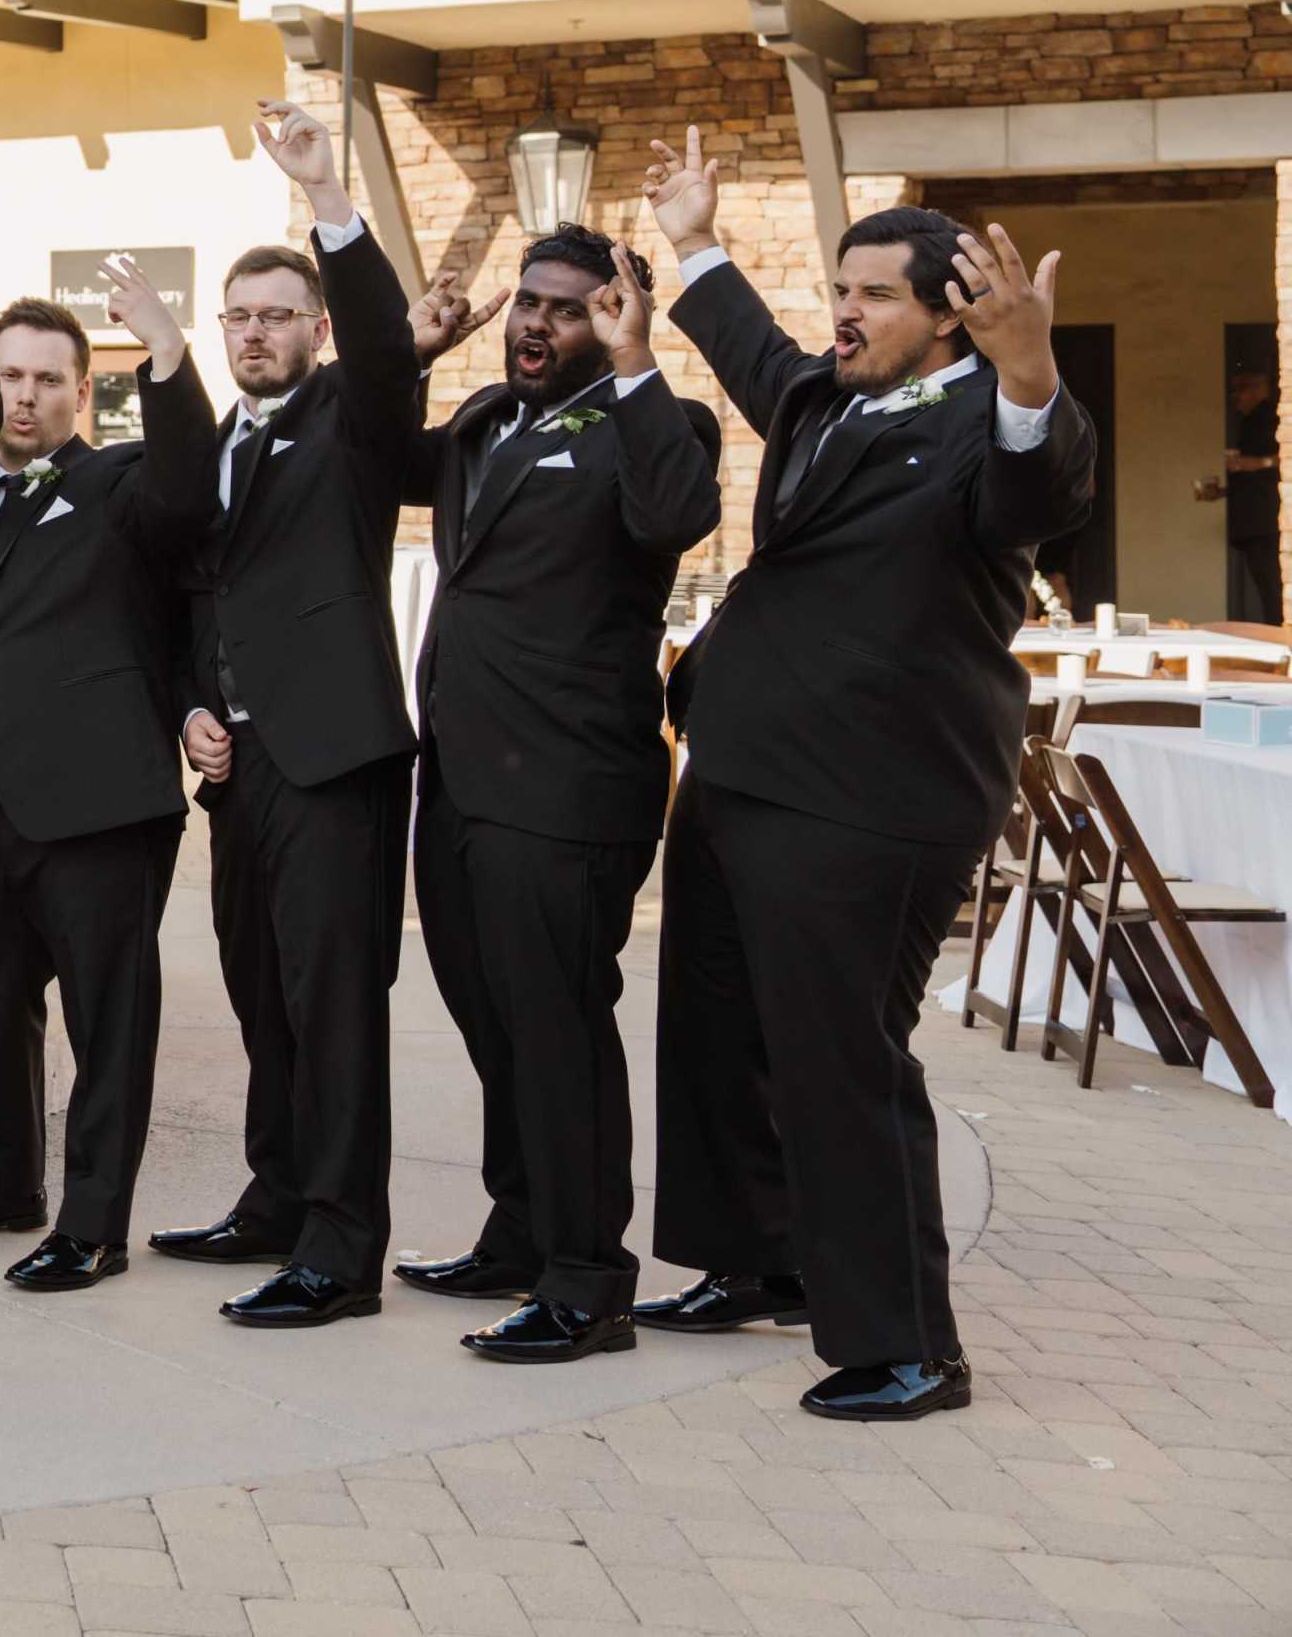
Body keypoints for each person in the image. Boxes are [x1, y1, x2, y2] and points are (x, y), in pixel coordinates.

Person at [641, 135, 1094, 1421]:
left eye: (875, 293)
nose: (843, 311)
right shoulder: (831, 400)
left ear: (949, 316)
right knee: (719, 1037)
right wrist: (693, 240)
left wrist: (1030, 371)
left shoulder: (989, 423)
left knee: (842, 1061)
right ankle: (757, 1260)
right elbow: (757, 357)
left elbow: (1038, 490)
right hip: (738, 770)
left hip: (870, 796)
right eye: (840, 288)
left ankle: (909, 1345)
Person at [315, 213, 722, 1363]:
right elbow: (367, 449)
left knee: (557, 1035)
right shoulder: (490, 419)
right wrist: (409, 349)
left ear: (615, 316)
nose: (537, 324)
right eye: (530, 302)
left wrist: (639, 362)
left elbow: (678, 515)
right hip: (456, 781)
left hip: (568, 788)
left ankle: (590, 1280)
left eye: (569, 307)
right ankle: (521, 1225)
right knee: (492, 1020)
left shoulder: (658, 422)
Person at [154, 104, 450, 1331]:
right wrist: (190, 708)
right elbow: (188, 587)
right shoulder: (214, 438)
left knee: (334, 1007)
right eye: (242, 317)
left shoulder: (357, 418)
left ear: (314, 329)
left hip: (337, 758)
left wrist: (329, 199)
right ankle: (275, 1199)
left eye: (280, 314)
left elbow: (390, 356)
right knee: (261, 990)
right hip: (239, 766)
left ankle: (342, 1247)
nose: (257, 333)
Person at [0, 265, 211, 1291]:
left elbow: (189, 480)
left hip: (100, 808)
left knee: (107, 1023)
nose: (26, 395)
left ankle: (93, 1225)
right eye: (9, 376)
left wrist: (168, 356)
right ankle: (0, 1183)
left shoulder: (122, 487)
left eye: (48, 378)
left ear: (83, 392)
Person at [1200, 358, 1279, 623]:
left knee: (1274, 592)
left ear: (1261, 387)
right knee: (1268, 591)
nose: (1236, 397)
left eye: (1242, 388)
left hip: (1267, 523)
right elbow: (1251, 475)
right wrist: (1222, 492)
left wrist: (1257, 463)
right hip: (1253, 525)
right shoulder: (1250, 421)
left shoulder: (1274, 417)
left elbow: (1282, 459)